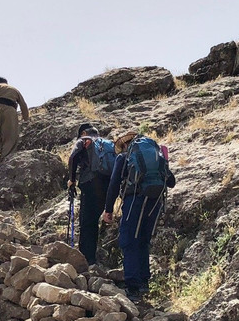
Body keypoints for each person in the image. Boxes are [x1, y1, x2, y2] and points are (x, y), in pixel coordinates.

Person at [102, 131, 175, 301]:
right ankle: (144, 283)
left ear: (125, 144)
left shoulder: (124, 157)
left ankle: (133, 287)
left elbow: (113, 184)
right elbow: (171, 182)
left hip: (134, 199)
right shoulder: (157, 156)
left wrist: (108, 209)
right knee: (143, 239)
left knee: (128, 239)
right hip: (155, 200)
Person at [67, 123, 116, 266]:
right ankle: (92, 259)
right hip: (108, 184)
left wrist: (72, 180)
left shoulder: (84, 140)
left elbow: (73, 157)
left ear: (83, 133)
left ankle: (86, 260)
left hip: (90, 183)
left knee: (87, 221)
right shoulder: (107, 143)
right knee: (94, 220)